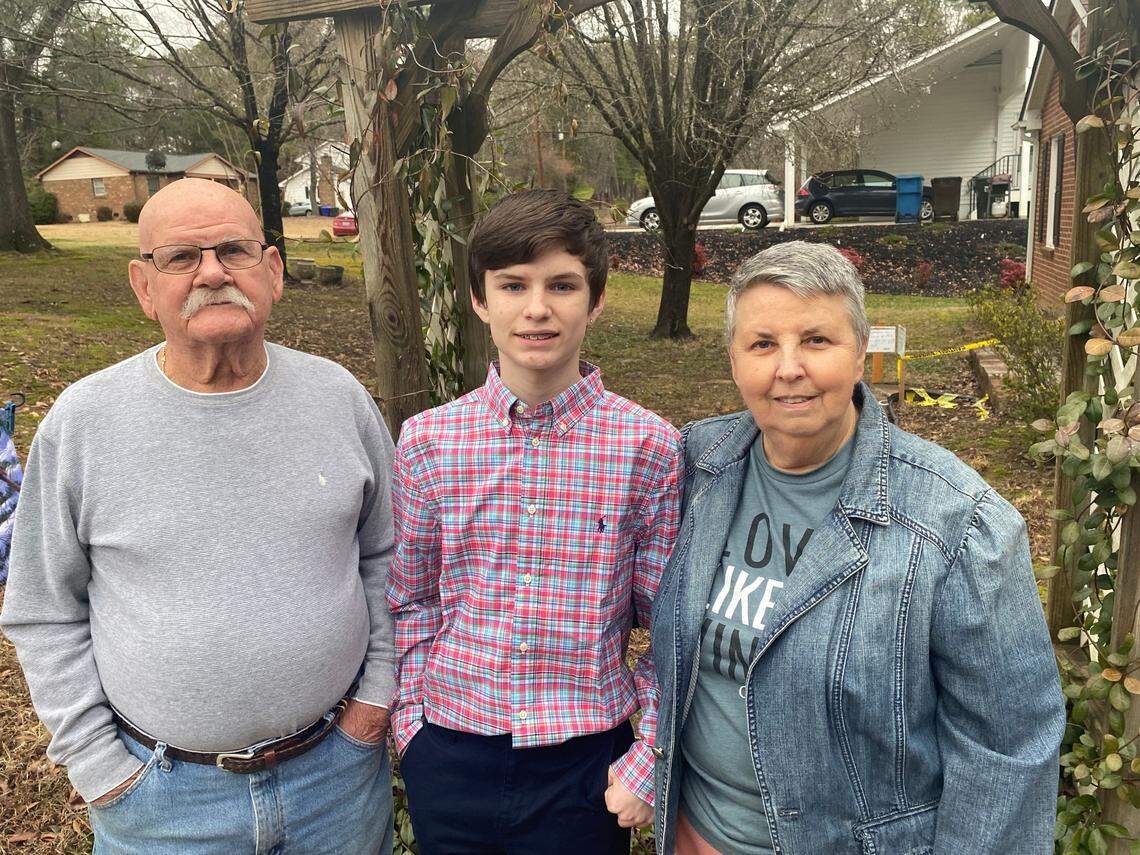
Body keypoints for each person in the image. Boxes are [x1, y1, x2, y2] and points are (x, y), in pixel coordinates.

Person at [1, 178, 397, 854]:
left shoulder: (339, 399)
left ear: (271, 272)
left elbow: (390, 559)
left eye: (233, 250)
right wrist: (102, 770)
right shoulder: (83, 424)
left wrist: (374, 702)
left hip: (336, 781)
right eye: (181, 257)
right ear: (143, 285)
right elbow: (43, 609)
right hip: (163, 803)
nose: (212, 272)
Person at [649, 241, 1065, 855]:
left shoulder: (956, 525)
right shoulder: (696, 470)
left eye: (816, 340)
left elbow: (1008, 749)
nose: (789, 367)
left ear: (861, 351)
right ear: (735, 359)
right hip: (695, 835)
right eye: (763, 344)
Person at [388, 189, 683, 854]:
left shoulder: (648, 448)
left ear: (597, 298)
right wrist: (414, 732)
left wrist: (647, 756)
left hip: (585, 769)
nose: (538, 307)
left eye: (562, 285)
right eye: (513, 284)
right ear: (480, 298)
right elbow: (410, 599)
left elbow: (671, 625)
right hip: (451, 754)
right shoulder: (429, 442)